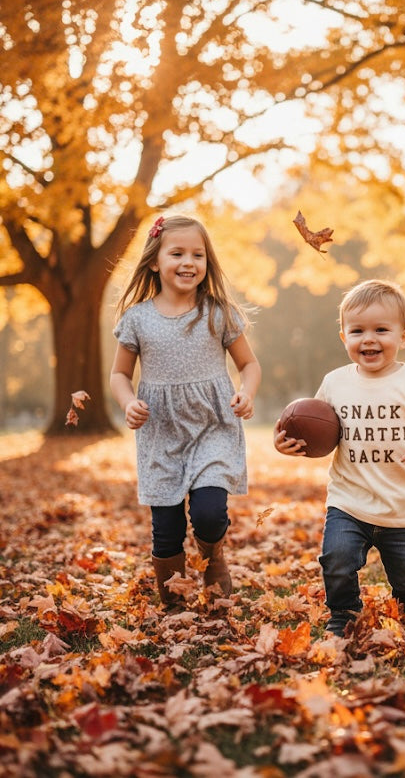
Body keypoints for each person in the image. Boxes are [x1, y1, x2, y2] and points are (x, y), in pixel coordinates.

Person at [274, 279, 405, 635]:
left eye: (381, 330)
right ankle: (344, 613)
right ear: (343, 337)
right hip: (349, 501)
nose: (368, 339)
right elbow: (316, 428)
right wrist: (288, 443)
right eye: (357, 330)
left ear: (404, 336)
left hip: (402, 505)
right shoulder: (335, 382)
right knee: (336, 559)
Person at [110, 214, 261, 607]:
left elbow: (249, 364)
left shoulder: (217, 312)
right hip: (161, 431)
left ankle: (214, 560)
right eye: (177, 253)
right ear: (154, 261)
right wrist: (129, 404)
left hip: (213, 426)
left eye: (198, 254)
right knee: (167, 528)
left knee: (210, 512)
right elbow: (119, 375)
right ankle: (174, 601)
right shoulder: (137, 318)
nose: (189, 262)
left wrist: (247, 392)